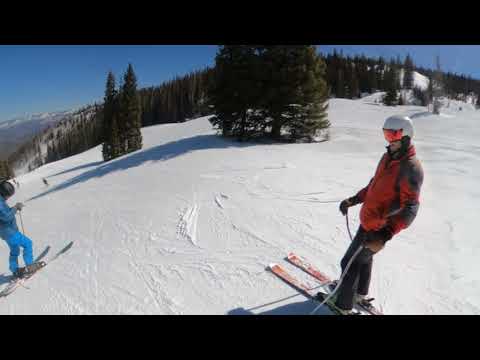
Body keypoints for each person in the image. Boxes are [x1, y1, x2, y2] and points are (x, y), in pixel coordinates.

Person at [324, 115, 424, 314]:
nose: (389, 140)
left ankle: (342, 305)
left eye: (393, 134)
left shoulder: (411, 168)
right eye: (386, 134)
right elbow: (373, 187)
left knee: (349, 262)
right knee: (364, 259)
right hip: (369, 220)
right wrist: (353, 200)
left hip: (380, 228)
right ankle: (359, 294)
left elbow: (410, 208)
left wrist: (385, 235)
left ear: (406, 136)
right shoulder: (388, 158)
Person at [0, 180, 42, 278]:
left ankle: (14, 270)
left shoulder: (1, 201)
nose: (8, 198)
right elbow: (6, 217)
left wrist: (14, 208)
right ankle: (30, 266)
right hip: (10, 231)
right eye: (8, 196)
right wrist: (15, 208)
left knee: (14, 250)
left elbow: (4, 214)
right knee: (28, 243)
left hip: (5, 232)